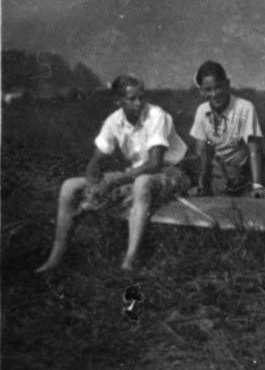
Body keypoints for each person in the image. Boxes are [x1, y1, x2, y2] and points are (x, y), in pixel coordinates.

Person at [36, 74, 191, 272]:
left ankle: (130, 259)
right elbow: (97, 157)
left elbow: (154, 164)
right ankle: (55, 258)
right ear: (118, 101)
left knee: (141, 183)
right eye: (132, 99)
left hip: (173, 171)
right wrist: (94, 174)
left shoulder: (156, 115)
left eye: (141, 97)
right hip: (138, 172)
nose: (139, 103)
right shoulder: (113, 121)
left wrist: (114, 181)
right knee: (70, 186)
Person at [190, 61, 265, 198]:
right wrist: (201, 185)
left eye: (218, 88)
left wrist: (257, 186)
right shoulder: (202, 111)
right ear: (202, 91)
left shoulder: (245, 108)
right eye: (208, 90)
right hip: (216, 175)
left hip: (242, 174)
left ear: (227, 84)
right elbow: (201, 151)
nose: (214, 94)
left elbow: (254, 149)